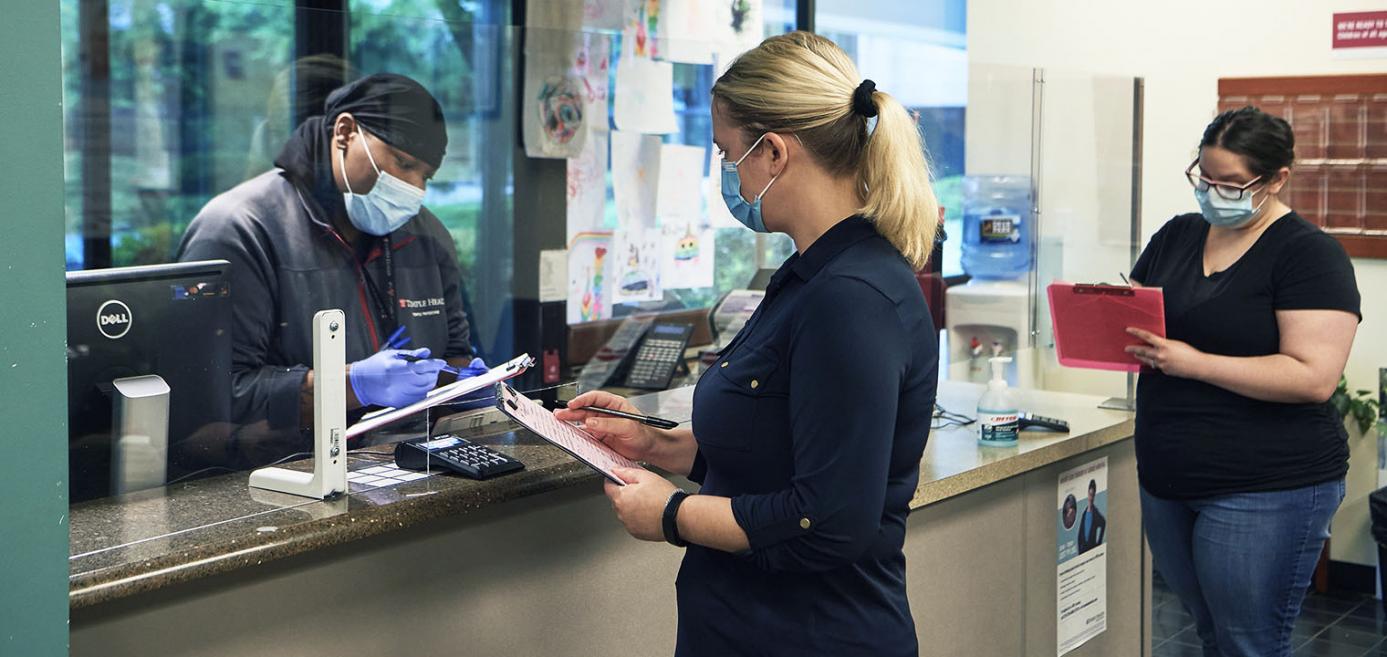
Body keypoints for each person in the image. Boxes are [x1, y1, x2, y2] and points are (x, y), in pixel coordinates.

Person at [555, 32, 939, 657]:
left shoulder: (850, 298)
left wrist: (672, 515)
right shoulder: (809, 277)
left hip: (811, 636)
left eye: (728, 153)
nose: (727, 172)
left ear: (774, 153)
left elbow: (826, 520)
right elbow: (778, 444)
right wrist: (655, 445)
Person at [1124, 106, 1360, 657]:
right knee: (1211, 633)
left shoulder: (1309, 254)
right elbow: (1139, 315)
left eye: (1229, 184)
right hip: (1169, 475)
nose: (1212, 193)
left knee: (1249, 643)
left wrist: (1193, 363)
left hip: (1267, 485)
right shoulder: (1177, 235)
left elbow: (1313, 377)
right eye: (1203, 178)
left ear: (1277, 179)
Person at [178, 73, 483, 467]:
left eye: (426, 175)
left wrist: (465, 384)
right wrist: (352, 385)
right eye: (404, 163)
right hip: (283, 479)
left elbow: (454, 351)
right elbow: (213, 397)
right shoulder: (240, 230)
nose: (415, 188)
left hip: (404, 468)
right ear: (345, 132)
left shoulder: (427, 236)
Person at [1076, 479, 1105, 554]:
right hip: (1082, 550)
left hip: (1091, 549)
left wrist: (1098, 543)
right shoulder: (1084, 513)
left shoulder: (1095, 513)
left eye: (1092, 495)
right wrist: (1079, 549)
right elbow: (1080, 534)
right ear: (1087, 494)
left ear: (1094, 495)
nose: (1091, 498)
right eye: (1090, 494)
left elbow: (1103, 523)